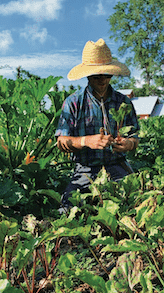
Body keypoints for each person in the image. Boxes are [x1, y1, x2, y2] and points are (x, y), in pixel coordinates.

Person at [55, 39, 140, 209]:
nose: (102, 79)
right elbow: (61, 142)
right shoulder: (73, 102)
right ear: (87, 75)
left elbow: (135, 138)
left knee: (137, 202)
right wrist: (86, 141)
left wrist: (128, 144)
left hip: (117, 166)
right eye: (96, 75)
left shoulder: (123, 102)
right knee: (68, 207)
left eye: (106, 74)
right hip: (85, 169)